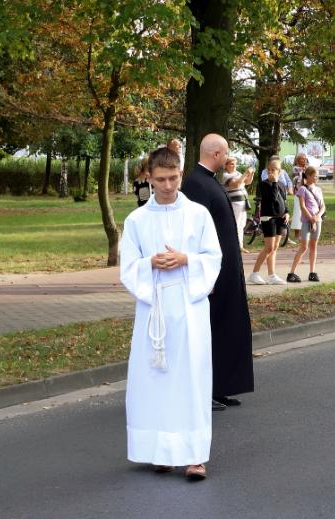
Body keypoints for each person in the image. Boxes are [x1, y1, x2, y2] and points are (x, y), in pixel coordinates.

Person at [118, 146, 223, 480]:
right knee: (154, 381)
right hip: (154, 310)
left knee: (190, 379)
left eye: (174, 178)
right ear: (149, 177)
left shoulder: (197, 215)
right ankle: (160, 452)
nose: (167, 185)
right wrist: (150, 262)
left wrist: (186, 259)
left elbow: (213, 257)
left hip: (189, 307)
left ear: (180, 173)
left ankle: (195, 456)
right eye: (160, 179)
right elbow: (128, 266)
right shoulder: (136, 220)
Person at [181, 135, 256, 410]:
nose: (228, 159)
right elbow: (193, 233)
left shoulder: (209, 180)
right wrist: (202, 273)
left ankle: (221, 386)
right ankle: (204, 390)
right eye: (225, 154)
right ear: (216, 154)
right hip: (212, 273)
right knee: (210, 330)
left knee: (227, 327)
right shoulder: (195, 184)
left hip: (226, 269)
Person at [249, 157, 290, 286]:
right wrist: (273, 183)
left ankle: (271, 275)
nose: (271, 172)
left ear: (279, 171)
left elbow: (283, 201)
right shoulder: (264, 184)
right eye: (269, 170)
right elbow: (271, 198)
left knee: (275, 247)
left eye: (273, 170)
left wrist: (287, 213)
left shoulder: (282, 185)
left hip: (279, 217)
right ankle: (254, 273)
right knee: (269, 247)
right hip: (268, 217)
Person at [288, 170, 324, 283]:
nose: (316, 178)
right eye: (314, 176)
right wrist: (311, 219)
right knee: (304, 246)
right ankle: (292, 272)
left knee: (313, 245)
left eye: (317, 176)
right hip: (307, 220)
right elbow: (302, 206)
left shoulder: (318, 189)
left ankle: (312, 271)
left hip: (317, 220)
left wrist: (317, 217)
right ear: (308, 176)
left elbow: (323, 206)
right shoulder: (302, 189)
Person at [221, 157, 254, 251]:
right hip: (235, 203)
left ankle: (240, 246)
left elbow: (247, 182)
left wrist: (251, 174)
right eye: (231, 164)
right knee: (235, 223)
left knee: (241, 224)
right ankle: (231, 245)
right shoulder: (226, 175)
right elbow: (236, 184)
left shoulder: (238, 173)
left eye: (235, 164)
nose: (234, 166)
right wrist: (245, 174)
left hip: (243, 202)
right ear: (226, 166)